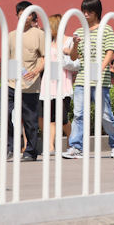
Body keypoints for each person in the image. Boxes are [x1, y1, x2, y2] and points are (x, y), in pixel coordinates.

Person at [63, 0, 114, 160]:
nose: (86, 14)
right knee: (79, 114)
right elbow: (74, 57)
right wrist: (74, 44)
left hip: (101, 80)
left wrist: (101, 68)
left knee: (105, 115)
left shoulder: (106, 29)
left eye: (89, 11)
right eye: (84, 11)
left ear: (96, 12)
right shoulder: (79, 32)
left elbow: (110, 51)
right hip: (82, 79)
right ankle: (75, 147)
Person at [0, 0, 45, 161]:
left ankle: (31, 152)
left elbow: (45, 58)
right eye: (21, 13)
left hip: (30, 85)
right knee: (3, 112)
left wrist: (35, 72)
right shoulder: (11, 35)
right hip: (10, 83)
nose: (24, 15)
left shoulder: (39, 34)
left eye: (28, 13)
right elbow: (6, 59)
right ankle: (10, 147)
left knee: (30, 120)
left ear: (32, 15)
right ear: (17, 15)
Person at [39, 14, 76, 153]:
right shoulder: (48, 42)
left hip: (63, 84)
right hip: (48, 83)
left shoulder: (69, 41)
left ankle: (71, 141)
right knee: (50, 117)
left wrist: (66, 53)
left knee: (63, 118)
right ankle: (50, 146)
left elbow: (74, 61)